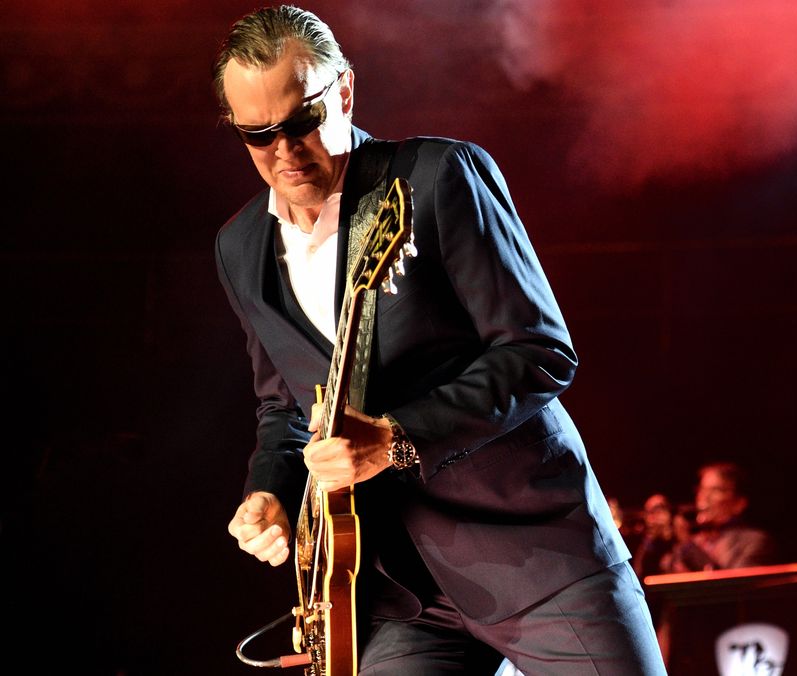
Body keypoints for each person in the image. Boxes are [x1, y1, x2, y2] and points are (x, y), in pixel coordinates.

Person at [212, 6, 664, 674]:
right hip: (396, 591)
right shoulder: (240, 247)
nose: (284, 150)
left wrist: (396, 437)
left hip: (535, 559)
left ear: (343, 92)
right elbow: (286, 407)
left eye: (301, 120)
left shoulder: (437, 176)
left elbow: (538, 352)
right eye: (257, 134)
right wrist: (269, 491)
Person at [635, 462, 777, 576]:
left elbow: (731, 590)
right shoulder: (690, 543)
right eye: (702, 489)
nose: (704, 497)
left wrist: (687, 544)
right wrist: (653, 541)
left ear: (739, 503)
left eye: (715, 490)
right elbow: (639, 586)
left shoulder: (754, 542)